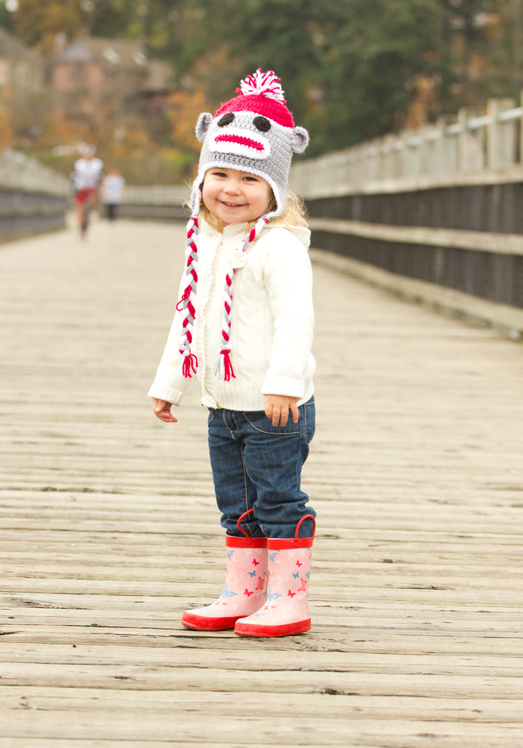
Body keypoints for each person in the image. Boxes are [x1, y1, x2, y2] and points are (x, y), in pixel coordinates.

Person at [148, 69, 316, 638]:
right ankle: (242, 592)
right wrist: (168, 384)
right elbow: (186, 320)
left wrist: (284, 383)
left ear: (275, 188)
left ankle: (288, 600)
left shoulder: (280, 249)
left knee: (277, 500)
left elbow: (297, 321)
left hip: (274, 408)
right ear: (200, 181)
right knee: (235, 505)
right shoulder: (206, 245)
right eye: (218, 173)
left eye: (249, 177)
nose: (231, 188)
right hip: (223, 403)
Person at [72, 146, 103, 233]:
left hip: (92, 186)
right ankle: (80, 224)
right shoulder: (79, 163)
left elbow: (98, 175)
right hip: (81, 186)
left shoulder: (98, 163)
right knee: (79, 205)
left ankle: (94, 211)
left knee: (94, 197)